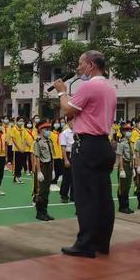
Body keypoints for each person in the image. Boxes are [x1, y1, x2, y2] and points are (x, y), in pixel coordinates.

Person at [54, 50, 116, 258]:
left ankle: (86, 244)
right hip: (104, 145)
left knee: (86, 197)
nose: (78, 68)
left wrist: (62, 91)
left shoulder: (90, 86)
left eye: (81, 64)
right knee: (103, 197)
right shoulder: (109, 87)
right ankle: (101, 242)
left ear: (90, 65)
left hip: (87, 146)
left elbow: (67, 110)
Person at [33, 122, 55, 221]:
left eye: (49, 129)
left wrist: (53, 170)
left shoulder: (49, 141)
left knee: (47, 190)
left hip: (49, 166)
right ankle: (39, 212)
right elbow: (37, 157)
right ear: (41, 130)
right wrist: (39, 171)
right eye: (46, 129)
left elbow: (52, 156)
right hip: (42, 166)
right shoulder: (37, 142)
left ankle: (45, 211)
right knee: (41, 191)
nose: (48, 131)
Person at [116, 124, 134, 214]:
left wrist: (133, 168)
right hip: (124, 165)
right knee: (122, 187)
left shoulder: (130, 142)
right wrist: (122, 169)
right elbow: (120, 157)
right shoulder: (121, 143)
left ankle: (126, 206)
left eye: (130, 130)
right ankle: (122, 206)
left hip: (130, 166)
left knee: (127, 186)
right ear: (123, 132)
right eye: (127, 130)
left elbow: (132, 155)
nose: (129, 132)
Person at [59, 119, 74, 203]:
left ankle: (73, 195)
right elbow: (63, 147)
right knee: (67, 176)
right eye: (72, 121)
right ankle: (64, 195)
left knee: (75, 176)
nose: (73, 123)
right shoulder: (64, 133)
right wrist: (65, 159)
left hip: (76, 154)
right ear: (68, 123)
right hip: (68, 154)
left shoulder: (78, 132)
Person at [11, 117, 27, 183]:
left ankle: (19, 176)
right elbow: (13, 139)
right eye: (20, 121)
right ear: (17, 121)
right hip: (16, 149)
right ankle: (16, 177)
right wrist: (19, 148)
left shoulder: (23, 130)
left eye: (22, 121)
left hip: (23, 149)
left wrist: (23, 148)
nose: (21, 122)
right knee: (17, 164)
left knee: (21, 163)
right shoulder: (14, 129)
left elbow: (25, 139)